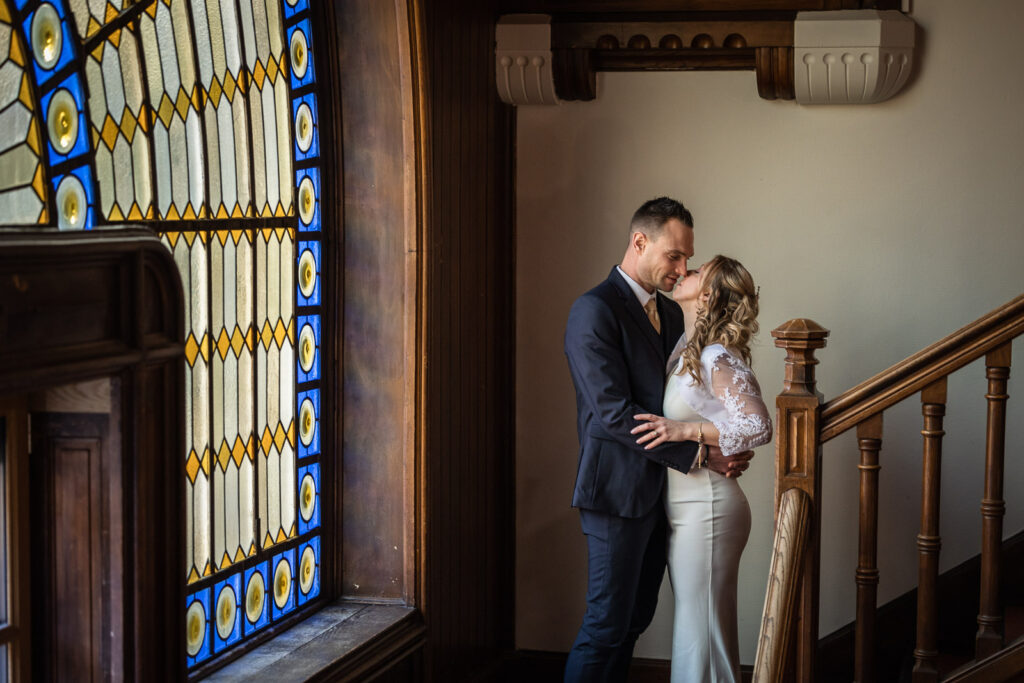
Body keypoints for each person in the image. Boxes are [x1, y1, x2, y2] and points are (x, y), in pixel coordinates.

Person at [563, 198, 753, 683]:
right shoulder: (594, 310)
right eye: (674, 256)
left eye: (688, 258)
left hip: (663, 498)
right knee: (606, 627)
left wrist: (719, 437)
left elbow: (690, 401)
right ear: (639, 242)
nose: (681, 268)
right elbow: (612, 413)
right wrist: (700, 453)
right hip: (617, 495)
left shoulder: (671, 316)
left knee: (633, 626)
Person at [631, 255, 772, 683]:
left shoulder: (715, 355)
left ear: (706, 294)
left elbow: (758, 425)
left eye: (694, 271)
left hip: (708, 507)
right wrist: (700, 437)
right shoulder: (687, 350)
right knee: (697, 628)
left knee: (702, 629)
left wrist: (683, 430)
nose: (682, 272)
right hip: (687, 507)